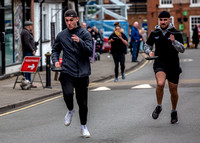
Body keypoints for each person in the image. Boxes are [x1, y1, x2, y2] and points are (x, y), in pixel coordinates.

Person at [51, 9, 93, 138]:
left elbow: (90, 51)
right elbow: (55, 50)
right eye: (67, 21)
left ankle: (83, 127)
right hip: (67, 71)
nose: (69, 23)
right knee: (68, 94)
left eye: (71, 20)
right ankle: (70, 110)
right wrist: (56, 61)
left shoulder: (85, 34)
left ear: (77, 19)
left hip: (82, 73)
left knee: (83, 103)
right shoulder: (61, 35)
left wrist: (80, 42)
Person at [144, 11, 185, 124]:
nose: (163, 22)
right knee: (160, 83)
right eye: (161, 20)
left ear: (169, 20)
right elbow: (147, 46)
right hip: (160, 63)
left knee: (173, 90)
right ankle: (159, 106)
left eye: (165, 20)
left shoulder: (176, 33)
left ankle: (174, 111)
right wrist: (149, 52)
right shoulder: (154, 32)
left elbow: (182, 49)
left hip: (173, 65)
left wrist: (174, 42)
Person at [20, 20, 37, 88]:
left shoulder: (25, 32)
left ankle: (29, 82)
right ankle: (28, 82)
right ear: (28, 26)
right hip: (28, 52)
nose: (32, 27)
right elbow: (27, 43)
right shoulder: (26, 32)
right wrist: (32, 50)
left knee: (28, 68)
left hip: (28, 52)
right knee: (27, 68)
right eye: (31, 26)